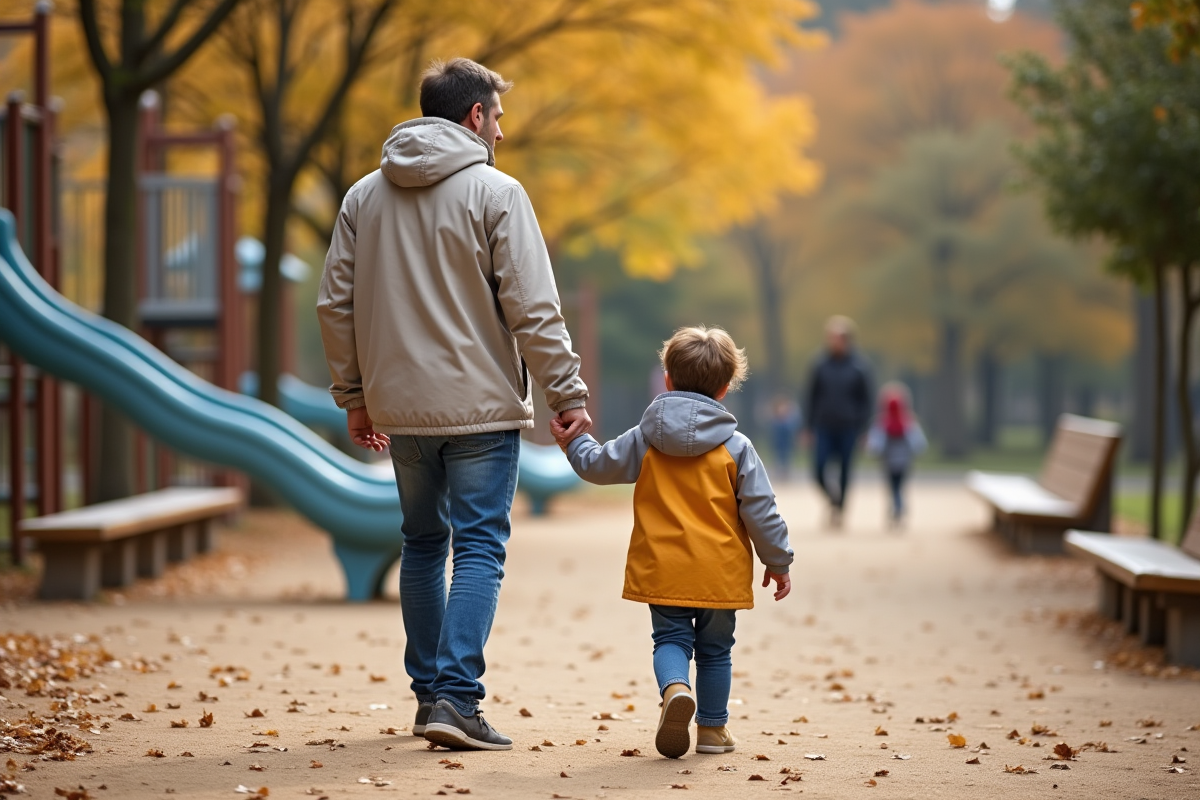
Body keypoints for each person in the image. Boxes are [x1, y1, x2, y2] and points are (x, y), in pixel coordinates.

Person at [317, 57, 591, 752]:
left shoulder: (362, 198)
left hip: (400, 410)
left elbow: (335, 304)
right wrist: (567, 393)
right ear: (475, 115)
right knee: (477, 547)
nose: (500, 130)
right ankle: (457, 699)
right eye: (497, 116)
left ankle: (427, 697)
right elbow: (533, 309)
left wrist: (354, 396)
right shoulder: (498, 194)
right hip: (480, 410)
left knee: (421, 543)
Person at [550, 326, 793, 759]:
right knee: (716, 651)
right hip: (719, 572)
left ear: (667, 378)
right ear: (724, 388)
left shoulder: (646, 438)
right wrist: (778, 561)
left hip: (662, 566)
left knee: (671, 642)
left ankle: (676, 688)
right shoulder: (736, 447)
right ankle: (713, 732)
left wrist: (573, 440)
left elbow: (597, 465)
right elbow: (762, 509)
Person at [802, 316, 873, 527]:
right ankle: (833, 498)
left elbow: (866, 400)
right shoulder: (819, 365)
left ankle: (839, 510)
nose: (833, 341)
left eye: (837, 338)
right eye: (831, 337)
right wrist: (807, 427)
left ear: (847, 340)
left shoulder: (860, 367)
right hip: (824, 425)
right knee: (818, 469)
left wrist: (865, 429)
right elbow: (811, 397)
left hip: (849, 427)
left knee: (845, 470)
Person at [866, 382, 927, 528]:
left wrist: (873, 452)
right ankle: (898, 507)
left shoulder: (882, 423)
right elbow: (919, 444)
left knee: (892, 487)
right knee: (899, 486)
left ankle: (895, 508)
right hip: (904, 462)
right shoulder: (909, 422)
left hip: (888, 462)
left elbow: (875, 446)